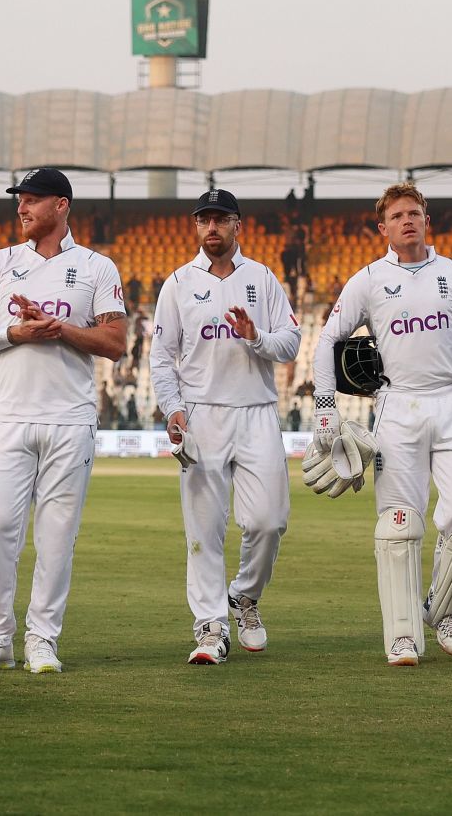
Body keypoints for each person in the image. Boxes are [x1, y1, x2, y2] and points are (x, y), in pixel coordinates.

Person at [310, 183, 452, 667]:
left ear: (426, 220)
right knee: (399, 524)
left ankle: (445, 613)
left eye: (414, 213)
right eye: (397, 216)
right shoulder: (369, 280)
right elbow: (328, 339)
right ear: (384, 228)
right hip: (397, 406)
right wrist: (325, 405)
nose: (407, 221)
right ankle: (401, 635)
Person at [0, 168, 127, 674]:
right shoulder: (0, 261)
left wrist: (61, 330)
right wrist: (17, 332)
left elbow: (115, 344)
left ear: (61, 205)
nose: (22, 209)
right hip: (10, 416)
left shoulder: (97, 267)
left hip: (70, 420)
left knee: (56, 536)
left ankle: (43, 640)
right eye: (19, 201)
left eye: (32, 200)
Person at [150, 189, 301, 665]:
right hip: (201, 414)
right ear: (196, 228)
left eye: (221, 220)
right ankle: (211, 627)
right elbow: (161, 355)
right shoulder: (177, 282)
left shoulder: (262, 278)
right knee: (204, 529)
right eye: (204, 220)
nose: (211, 228)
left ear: (239, 225)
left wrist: (255, 336)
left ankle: (244, 597)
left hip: (256, 410)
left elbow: (291, 342)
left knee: (269, 520)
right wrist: (171, 407)